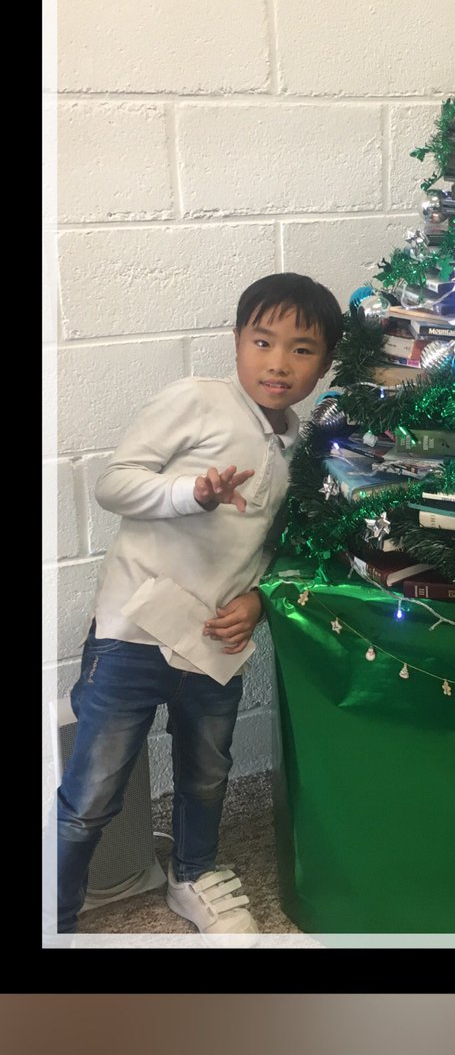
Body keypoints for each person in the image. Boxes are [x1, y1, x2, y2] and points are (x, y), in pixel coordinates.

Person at [55, 272, 342, 937]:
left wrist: (259, 601)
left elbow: (278, 546)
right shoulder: (197, 401)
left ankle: (192, 875)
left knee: (208, 773)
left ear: (325, 364)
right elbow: (115, 484)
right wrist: (193, 493)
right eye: (262, 340)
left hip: (214, 643)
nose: (277, 362)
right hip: (134, 630)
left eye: (301, 349)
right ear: (237, 341)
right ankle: (55, 911)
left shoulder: (303, 448)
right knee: (93, 792)